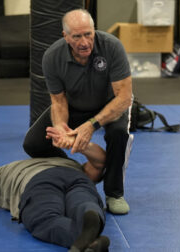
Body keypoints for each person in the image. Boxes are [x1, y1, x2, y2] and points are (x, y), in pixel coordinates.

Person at [23, 9, 133, 215]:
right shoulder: (52, 57)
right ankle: (78, 171)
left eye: (88, 34)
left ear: (94, 31)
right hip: (74, 104)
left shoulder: (112, 47)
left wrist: (91, 125)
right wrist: (61, 130)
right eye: (77, 36)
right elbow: (58, 101)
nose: (84, 42)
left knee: (118, 135)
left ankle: (114, 193)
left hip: (110, 104)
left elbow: (124, 97)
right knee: (33, 143)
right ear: (65, 36)